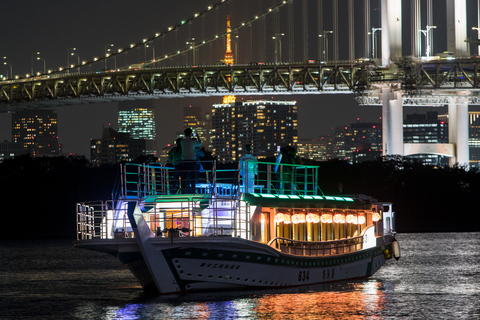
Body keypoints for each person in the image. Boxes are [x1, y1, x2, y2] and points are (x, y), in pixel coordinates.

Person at [180, 128, 202, 194]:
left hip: (184, 160)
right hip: (192, 160)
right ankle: (193, 190)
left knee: (184, 177)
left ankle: (183, 191)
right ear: (191, 133)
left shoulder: (182, 141)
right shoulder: (193, 141)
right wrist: (197, 136)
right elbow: (200, 143)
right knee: (193, 176)